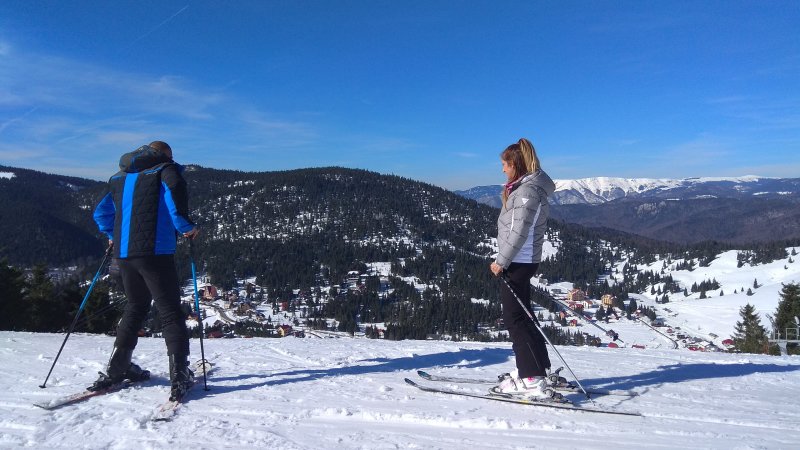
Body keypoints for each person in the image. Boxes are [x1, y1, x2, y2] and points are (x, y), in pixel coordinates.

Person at [91, 141, 200, 401]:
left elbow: (101, 214)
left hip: (124, 255)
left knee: (135, 306)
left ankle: (117, 368)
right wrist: (188, 228)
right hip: (155, 253)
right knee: (170, 311)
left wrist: (112, 235)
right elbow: (175, 201)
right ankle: (179, 375)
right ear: (165, 155)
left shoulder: (119, 177)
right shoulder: (165, 171)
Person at [489, 138, 556, 398]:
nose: (503, 169)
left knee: (515, 319)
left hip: (519, 261)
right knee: (524, 316)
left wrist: (501, 262)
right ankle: (537, 369)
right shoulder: (528, 188)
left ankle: (531, 377)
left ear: (516, 165)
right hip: (522, 260)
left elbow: (518, 232)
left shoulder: (527, 192)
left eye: (505, 165)